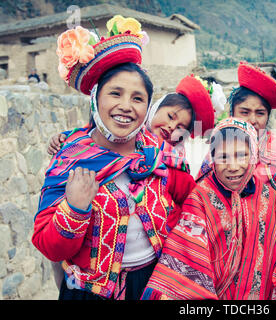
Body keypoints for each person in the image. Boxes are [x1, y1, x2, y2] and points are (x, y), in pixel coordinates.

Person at [32, 18, 196, 300]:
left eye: (137, 98)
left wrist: (170, 228)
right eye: (115, 94)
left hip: (153, 285)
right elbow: (50, 248)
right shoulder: (72, 158)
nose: (125, 106)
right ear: (96, 99)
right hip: (90, 293)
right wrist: (75, 208)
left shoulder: (158, 153)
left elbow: (191, 199)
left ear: (147, 107)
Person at [141, 117, 276, 300]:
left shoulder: (269, 198)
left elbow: (274, 252)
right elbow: (187, 257)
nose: (233, 167)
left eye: (241, 155)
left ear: (253, 155)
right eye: (223, 157)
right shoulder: (200, 198)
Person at [47, 74, 225, 157]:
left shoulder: (175, 160)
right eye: (171, 117)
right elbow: (86, 135)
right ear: (153, 109)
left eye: (180, 128)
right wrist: (64, 137)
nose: (172, 127)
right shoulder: (120, 134)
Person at [197, 61, 276, 189]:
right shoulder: (219, 146)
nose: (252, 120)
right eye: (244, 112)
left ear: (268, 116)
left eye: (260, 113)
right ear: (232, 113)